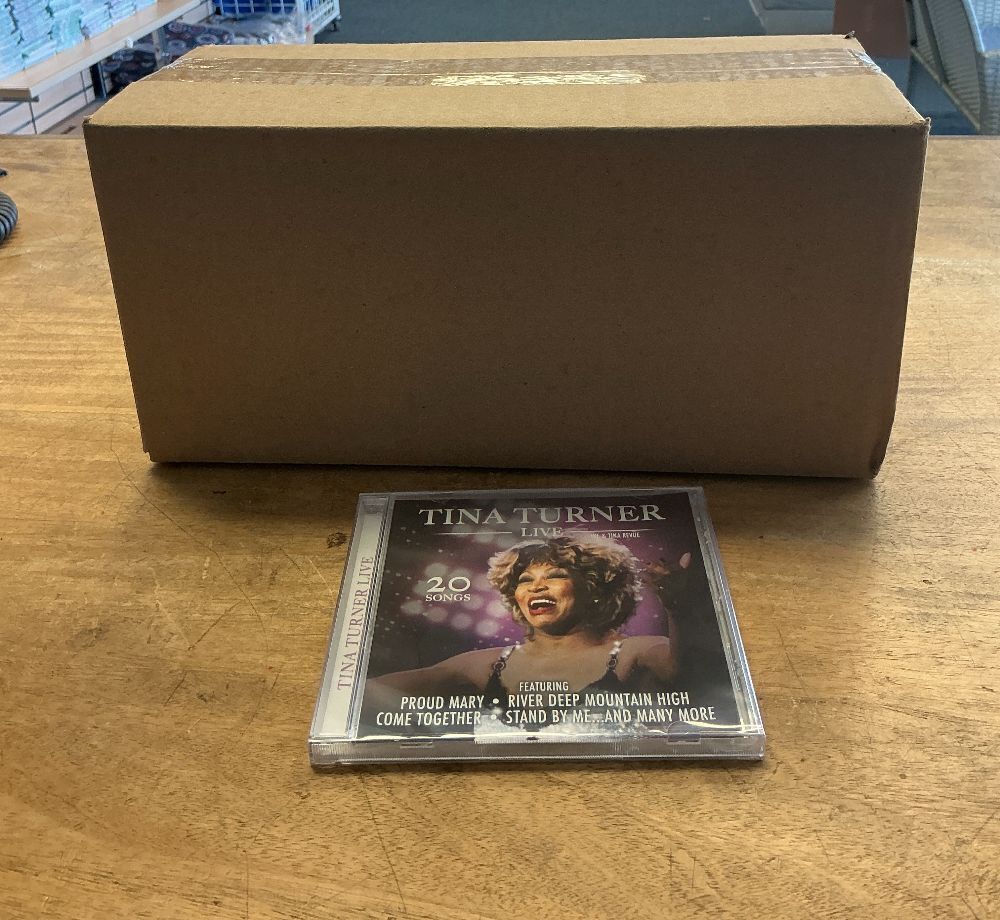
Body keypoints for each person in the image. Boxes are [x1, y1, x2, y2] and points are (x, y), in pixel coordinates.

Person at [365, 533, 695, 711]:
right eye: (525, 580)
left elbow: (681, 671)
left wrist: (678, 608)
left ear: (595, 589)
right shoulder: (484, 664)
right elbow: (370, 694)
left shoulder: (637, 650)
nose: (536, 587)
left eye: (555, 575)